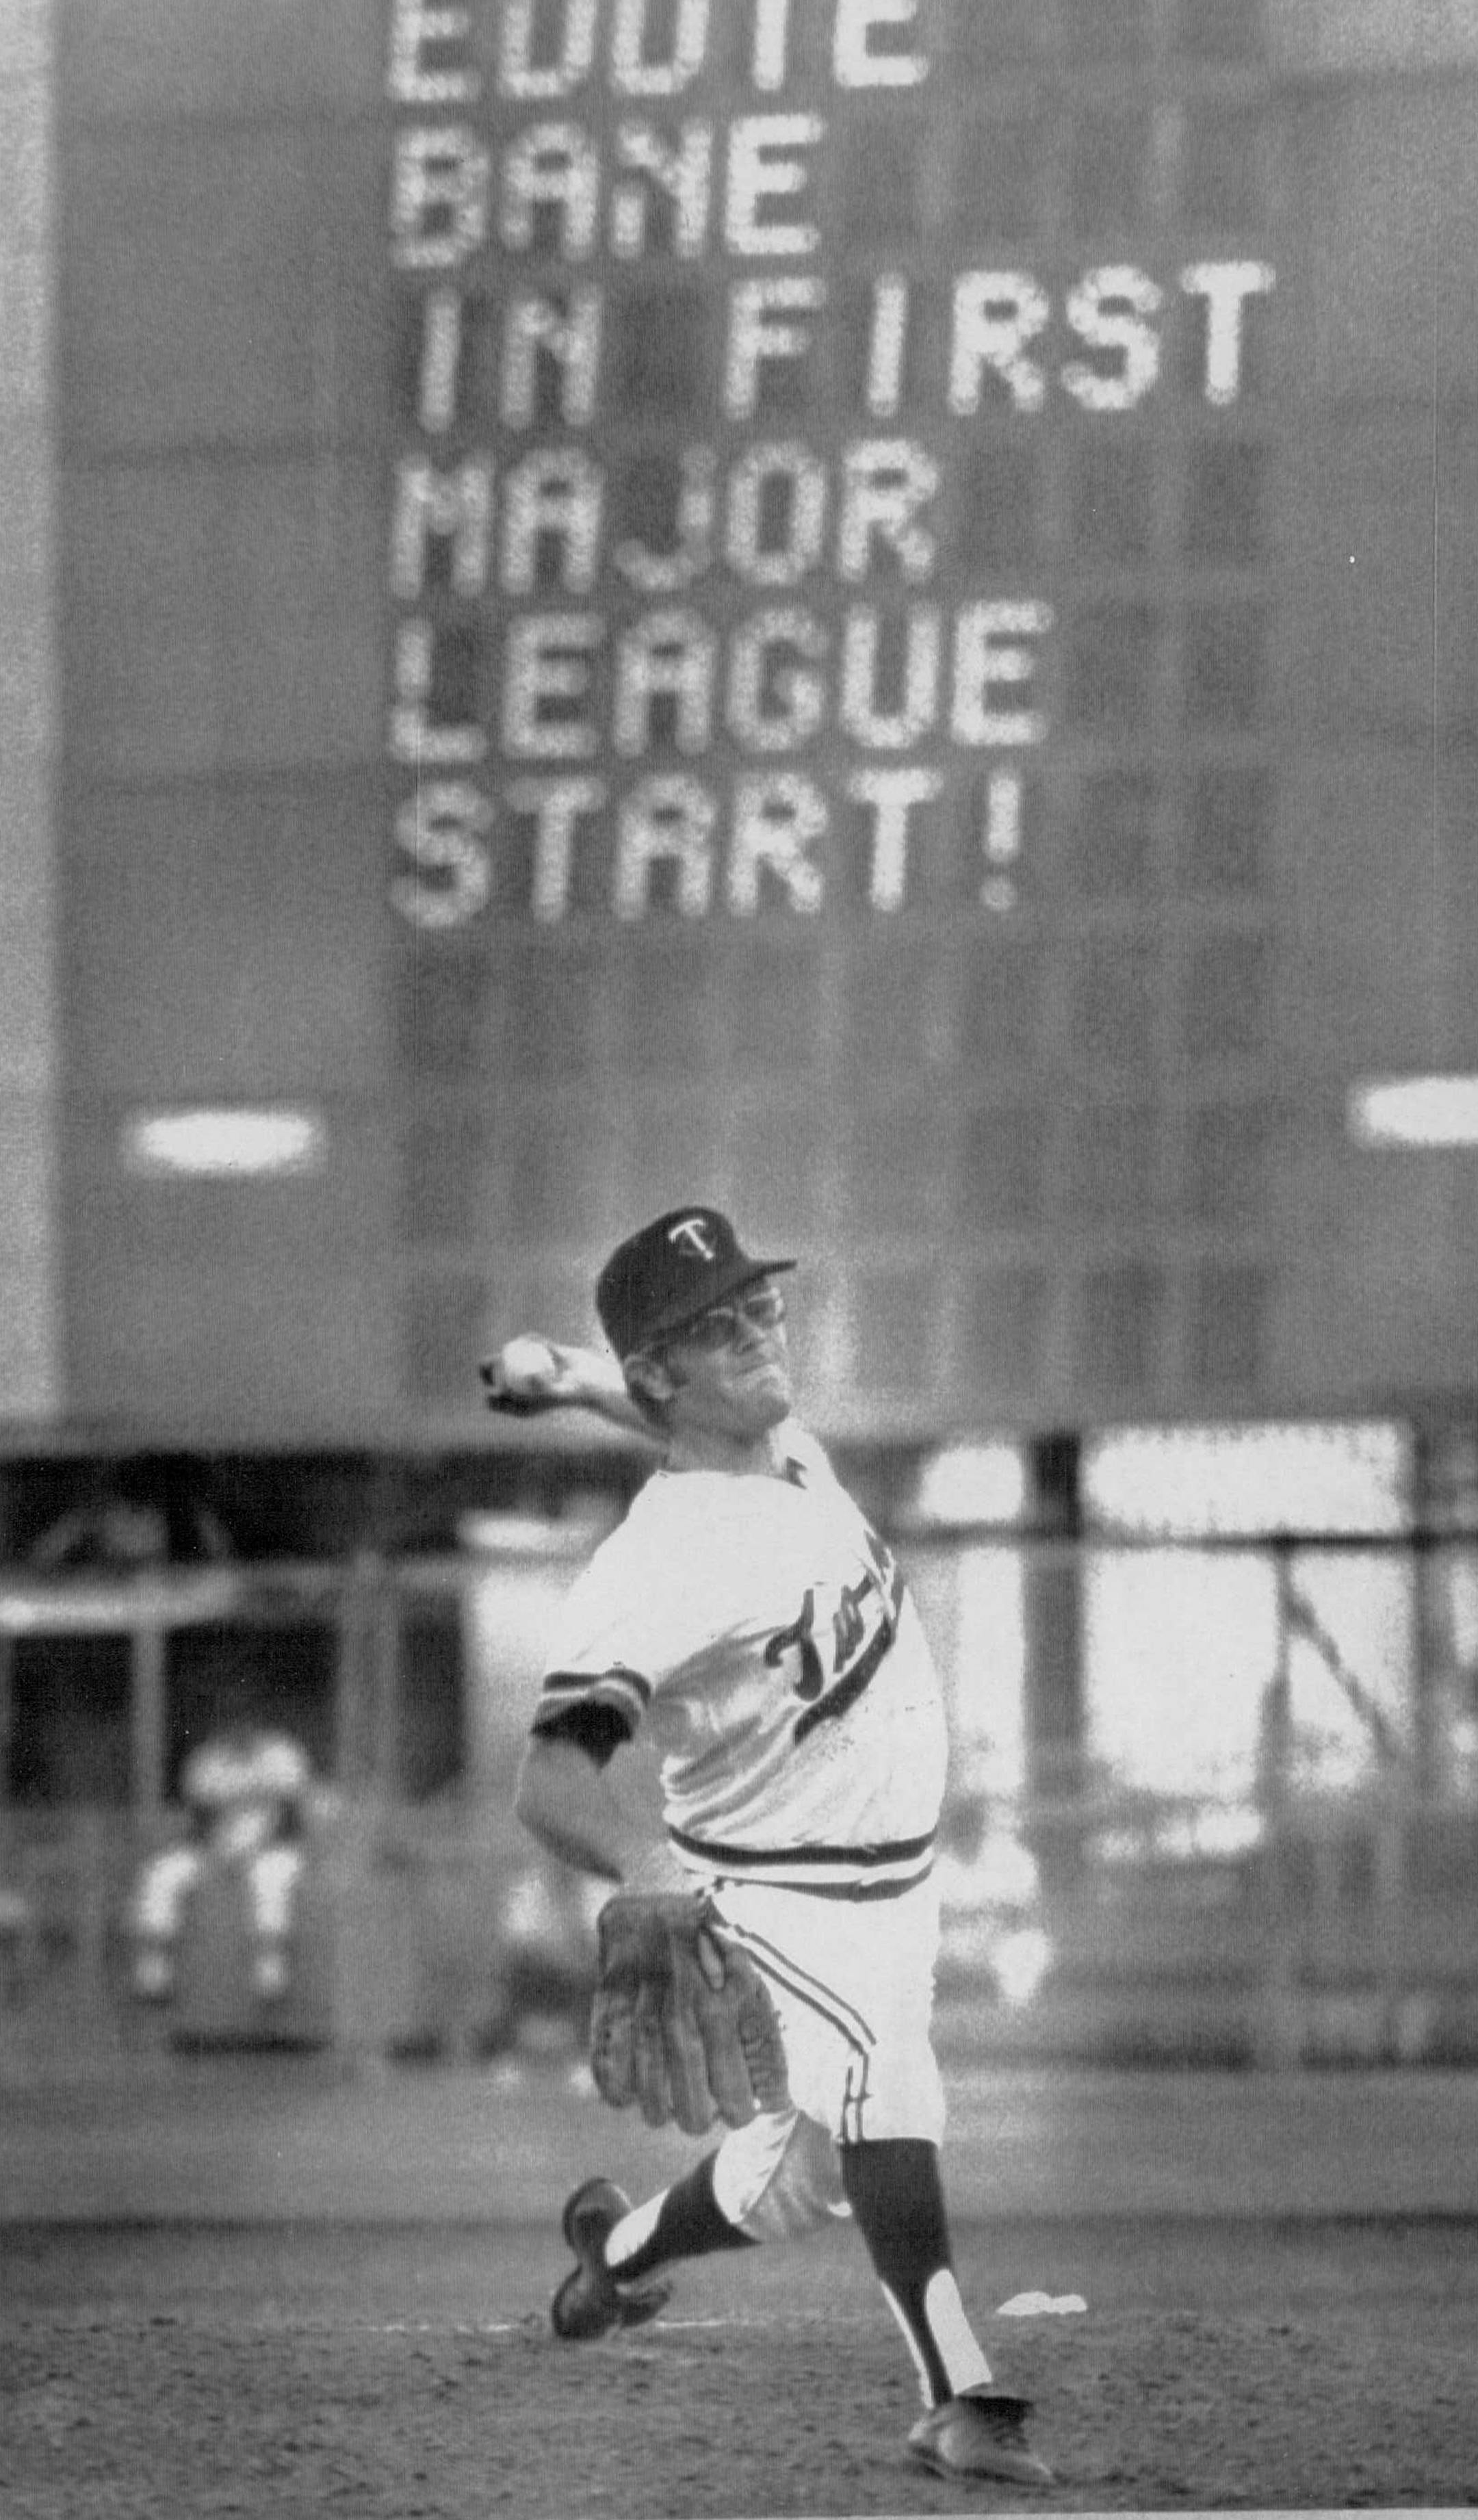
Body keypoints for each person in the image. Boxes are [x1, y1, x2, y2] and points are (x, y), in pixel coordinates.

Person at [495, 1206, 1053, 2486]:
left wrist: (561, 1375)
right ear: (664, 1372)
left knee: (786, 2183)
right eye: (716, 1328)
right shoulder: (658, 1564)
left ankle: (614, 2263)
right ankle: (959, 2396)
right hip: (773, 1886)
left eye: (759, 1308)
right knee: (886, 2076)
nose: (757, 1337)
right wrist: (645, 1866)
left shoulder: (782, 1447)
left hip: (890, 1883)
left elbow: (664, 1404)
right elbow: (550, 1776)